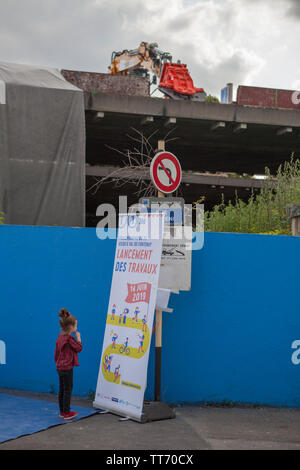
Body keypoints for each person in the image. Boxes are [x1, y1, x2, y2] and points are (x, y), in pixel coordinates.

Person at [54, 308, 82, 420]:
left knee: (62, 389)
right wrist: (79, 338)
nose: (76, 328)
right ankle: (66, 412)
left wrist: (57, 362)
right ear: (71, 327)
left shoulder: (60, 338)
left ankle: (62, 411)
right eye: (76, 326)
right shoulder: (70, 339)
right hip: (67, 368)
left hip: (59, 367)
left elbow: (56, 353)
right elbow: (79, 348)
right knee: (67, 389)